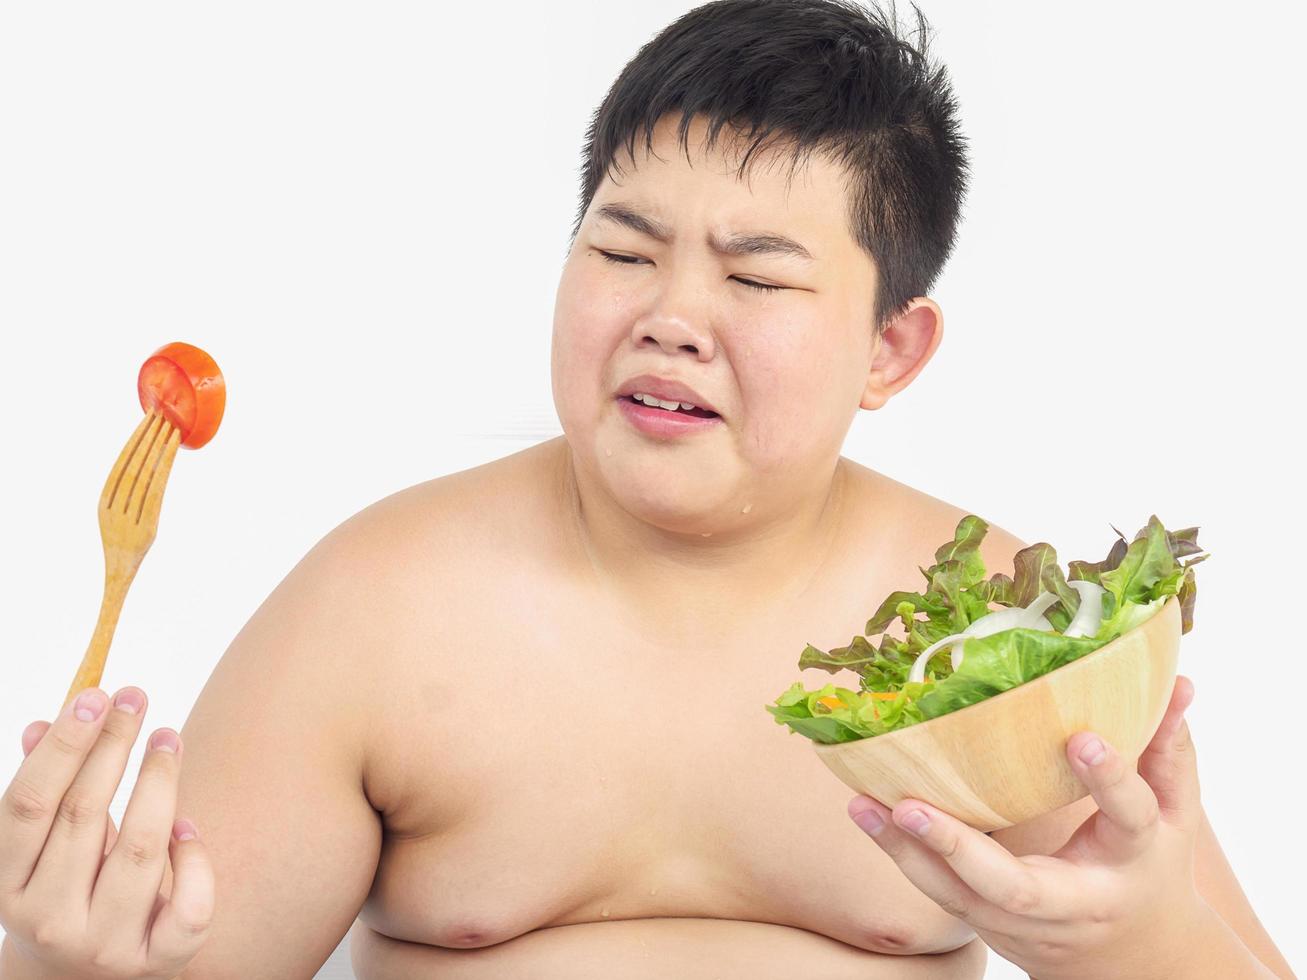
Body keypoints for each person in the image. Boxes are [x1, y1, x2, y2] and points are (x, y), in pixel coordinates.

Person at [1, 1, 1295, 977]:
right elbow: (167, 960)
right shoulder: (377, 610)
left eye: (758, 277)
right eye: (624, 249)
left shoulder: (992, 644)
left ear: (890, 350)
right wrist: (58, 960)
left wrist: (1147, 935)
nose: (672, 317)